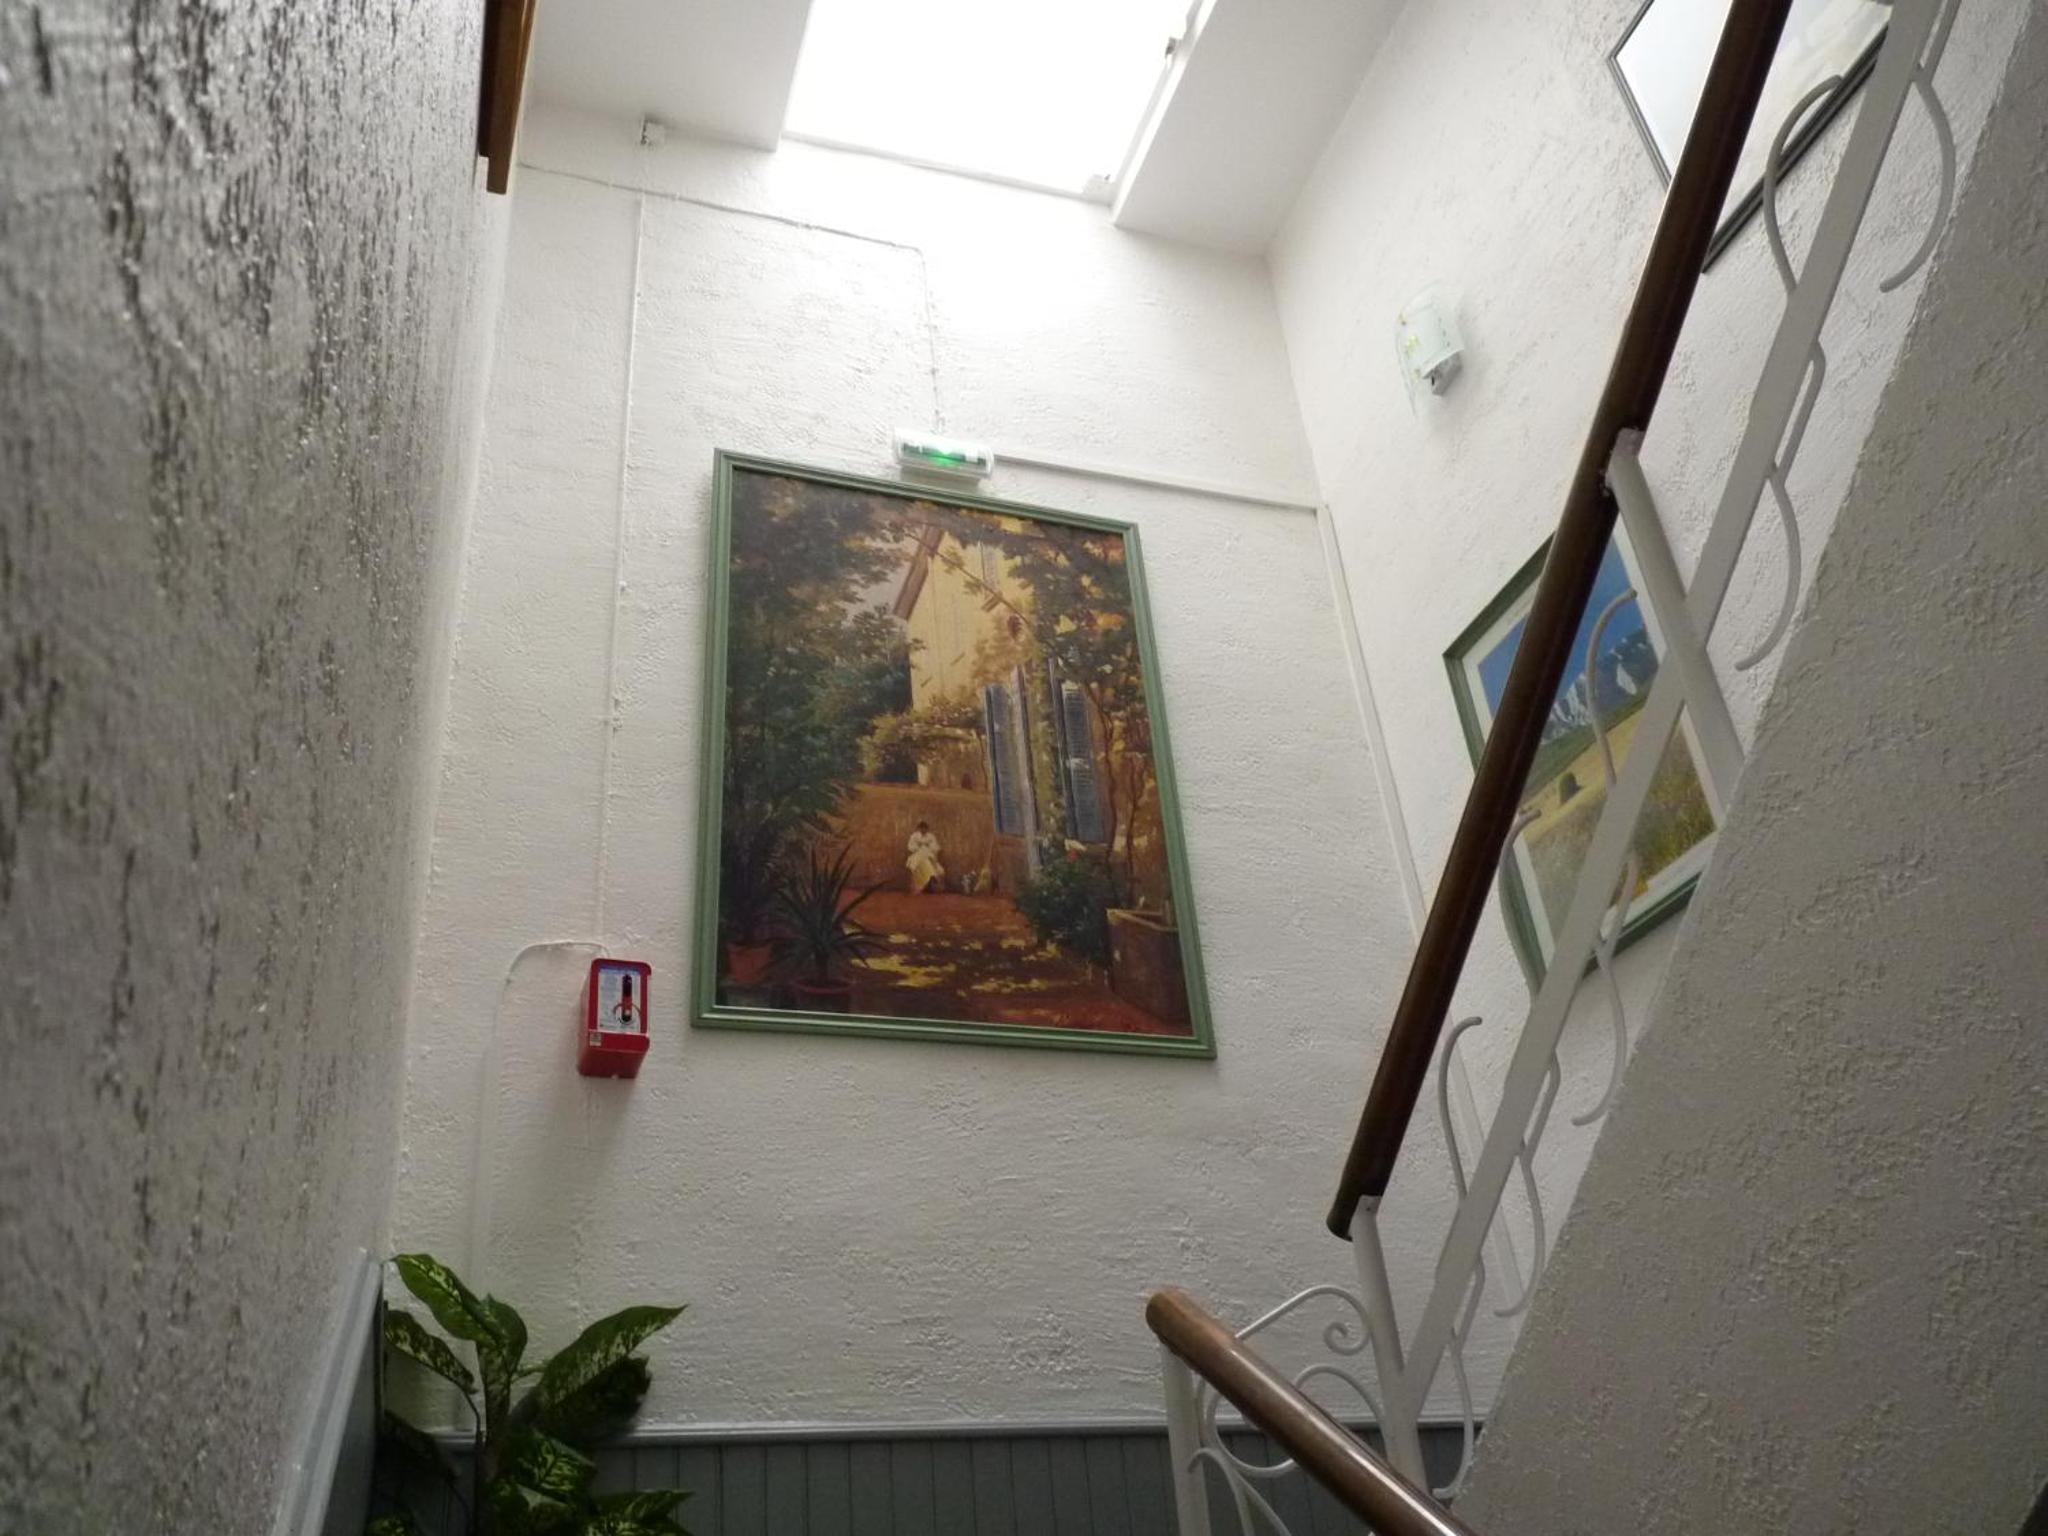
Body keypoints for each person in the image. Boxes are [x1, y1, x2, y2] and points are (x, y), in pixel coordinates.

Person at [906, 820, 944, 894]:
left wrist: (927, 847)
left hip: (928, 855)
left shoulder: (931, 836)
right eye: (921, 828)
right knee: (920, 862)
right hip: (917, 855)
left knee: (936, 867)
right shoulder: (914, 836)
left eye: (925, 828)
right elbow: (910, 847)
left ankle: (932, 881)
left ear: (927, 829)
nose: (923, 830)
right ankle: (921, 885)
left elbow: (935, 847)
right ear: (919, 828)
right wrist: (920, 847)